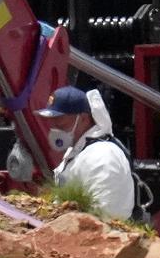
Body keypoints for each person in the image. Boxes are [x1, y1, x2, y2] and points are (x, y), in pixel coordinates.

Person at [48, 87, 136, 221]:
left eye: (60, 119)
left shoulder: (103, 156)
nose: (54, 126)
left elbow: (106, 215)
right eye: (52, 119)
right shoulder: (79, 151)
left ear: (83, 118)